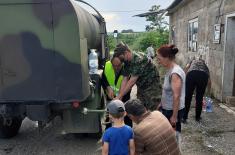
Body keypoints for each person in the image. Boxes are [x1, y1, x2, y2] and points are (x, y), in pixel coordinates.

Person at [113, 43, 162, 111]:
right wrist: (120, 97)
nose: (122, 61)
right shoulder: (127, 61)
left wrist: (119, 96)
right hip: (142, 88)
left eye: (122, 58)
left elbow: (131, 82)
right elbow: (125, 79)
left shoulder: (139, 59)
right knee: (142, 112)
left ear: (126, 52)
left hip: (152, 89)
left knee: (153, 113)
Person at [156, 44, 185, 142]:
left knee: (172, 139)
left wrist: (174, 116)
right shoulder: (170, 70)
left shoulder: (175, 73)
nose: (158, 61)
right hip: (168, 108)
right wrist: (161, 103)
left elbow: (176, 96)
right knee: (169, 138)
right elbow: (168, 92)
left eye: (159, 58)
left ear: (167, 58)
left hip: (172, 111)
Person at [101, 56, 132, 128]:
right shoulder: (107, 65)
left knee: (125, 113)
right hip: (111, 96)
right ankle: (108, 130)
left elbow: (129, 84)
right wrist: (108, 87)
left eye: (118, 66)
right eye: (114, 66)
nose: (116, 68)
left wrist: (121, 96)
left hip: (124, 96)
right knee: (110, 113)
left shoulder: (127, 67)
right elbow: (103, 79)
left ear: (122, 63)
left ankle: (128, 131)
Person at [182, 55, 210, 123]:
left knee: (188, 97)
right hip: (203, 76)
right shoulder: (205, 66)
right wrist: (209, 92)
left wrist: (184, 78)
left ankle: (184, 117)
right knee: (199, 98)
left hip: (191, 74)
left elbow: (186, 67)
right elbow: (209, 80)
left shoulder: (192, 61)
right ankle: (198, 118)